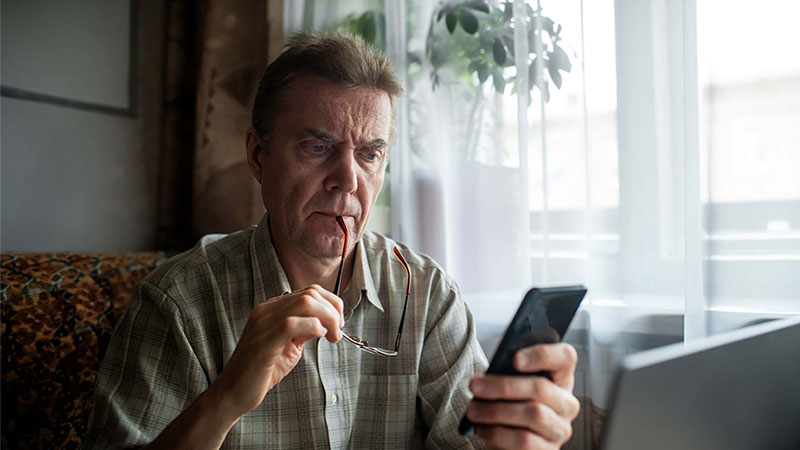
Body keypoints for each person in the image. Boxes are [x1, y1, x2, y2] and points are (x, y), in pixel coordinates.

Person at [84, 31, 580, 449]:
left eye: (369, 154)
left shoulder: (426, 294)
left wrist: (522, 437)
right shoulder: (178, 301)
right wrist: (227, 396)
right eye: (317, 147)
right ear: (258, 156)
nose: (347, 179)